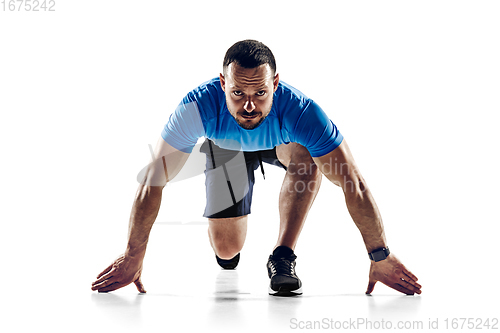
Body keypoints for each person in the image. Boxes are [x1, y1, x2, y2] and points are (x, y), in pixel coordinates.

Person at [91, 39, 422, 296]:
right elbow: (153, 180)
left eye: (260, 93)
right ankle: (228, 249)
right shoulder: (197, 107)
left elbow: (353, 183)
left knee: (308, 155)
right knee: (227, 249)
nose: (249, 105)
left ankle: (283, 255)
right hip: (226, 150)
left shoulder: (301, 112)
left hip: (284, 145)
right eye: (238, 93)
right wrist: (133, 257)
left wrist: (380, 256)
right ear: (222, 84)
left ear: (275, 84)